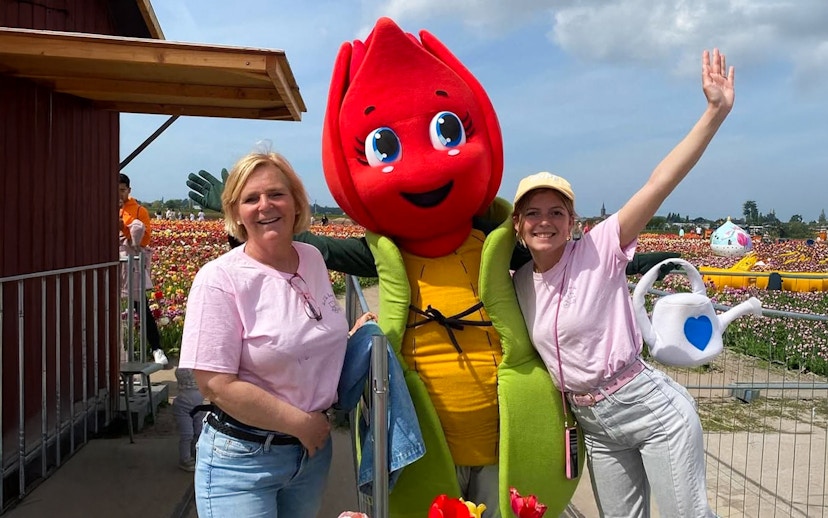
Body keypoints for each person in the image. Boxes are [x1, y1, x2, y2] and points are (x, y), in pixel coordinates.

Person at [511, 49, 734, 518]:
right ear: (517, 225)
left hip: (649, 410)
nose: (544, 221)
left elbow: (658, 183)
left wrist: (714, 113)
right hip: (594, 426)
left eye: (557, 212)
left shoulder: (600, 248)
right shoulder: (519, 284)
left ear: (573, 221)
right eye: (532, 212)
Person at [178, 151, 375, 518]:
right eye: (250, 199)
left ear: (296, 202)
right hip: (242, 461)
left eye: (276, 194)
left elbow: (302, 335)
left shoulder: (312, 259)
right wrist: (301, 424)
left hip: (309, 458)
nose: (265, 205)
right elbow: (214, 384)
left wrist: (348, 338)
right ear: (235, 212)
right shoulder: (220, 278)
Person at [118, 174, 168, 366]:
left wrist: (124, 228)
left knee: (142, 307)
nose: (119, 194)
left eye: (122, 190)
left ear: (129, 190)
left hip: (132, 264)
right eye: (116, 190)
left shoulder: (139, 211)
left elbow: (144, 240)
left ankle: (156, 348)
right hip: (114, 264)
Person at [172, 367, 206, 471]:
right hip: (183, 406)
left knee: (199, 432)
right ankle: (185, 459)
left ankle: (195, 454)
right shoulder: (184, 368)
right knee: (187, 434)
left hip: (198, 406)